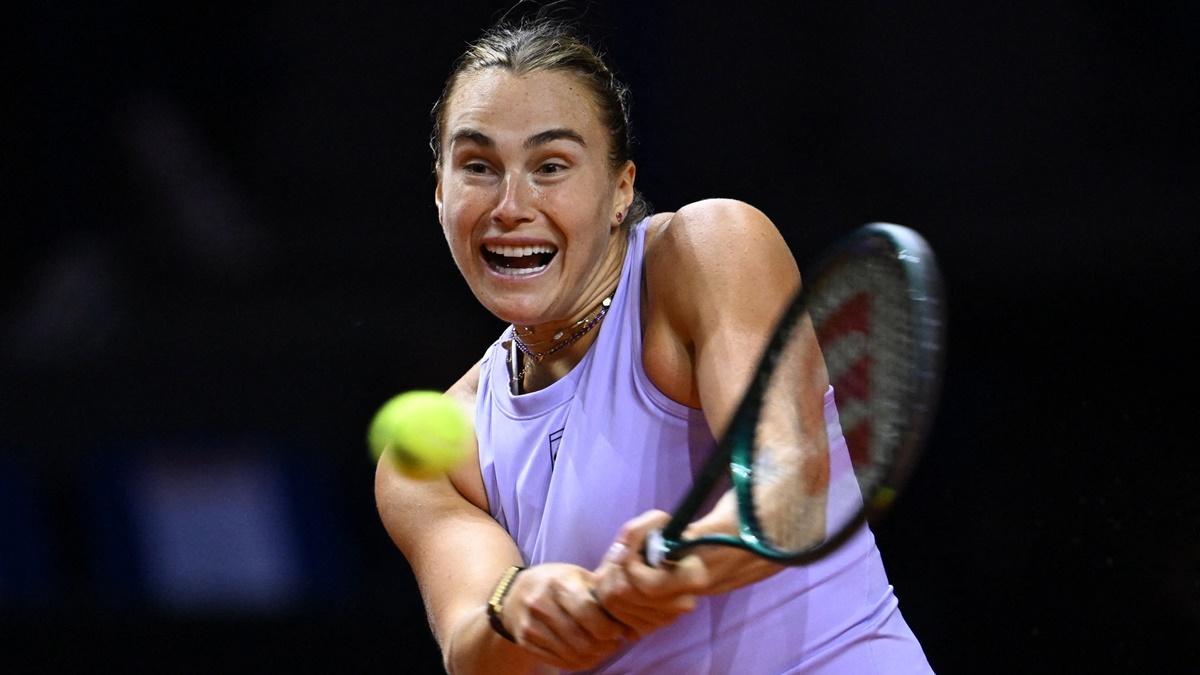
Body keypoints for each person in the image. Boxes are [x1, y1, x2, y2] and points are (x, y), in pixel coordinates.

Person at [375, 17, 933, 674]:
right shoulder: (428, 459)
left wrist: (687, 555)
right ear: (440, 192)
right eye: (478, 167)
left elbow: (789, 486)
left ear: (620, 191)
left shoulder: (707, 250)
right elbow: (471, 646)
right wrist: (519, 606)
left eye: (551, 166)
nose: (510, 205)